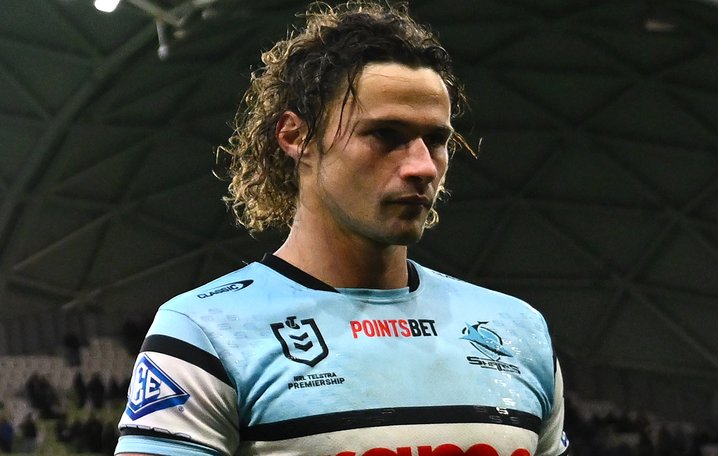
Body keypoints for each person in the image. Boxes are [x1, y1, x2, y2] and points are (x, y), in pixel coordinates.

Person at [115, 1, 569, 455]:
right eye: (386, 135)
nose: (422, 167)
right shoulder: (206, 333)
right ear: (295, 137)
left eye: (436, 140)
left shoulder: (517, 330)